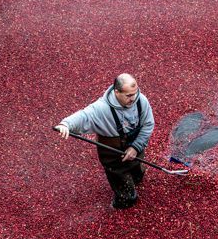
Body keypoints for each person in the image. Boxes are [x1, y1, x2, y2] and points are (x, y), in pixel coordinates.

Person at [53, 73, 156, 210]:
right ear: (116, 92)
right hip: (113, 156)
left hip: (136, 151)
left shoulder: (141, 100)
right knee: (127, 198)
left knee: (138, 175)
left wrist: (136, 147)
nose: (133, 98)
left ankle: (135, 176)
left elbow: (148, 124)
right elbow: (84, 116)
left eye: (135, 93)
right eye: (128, 95)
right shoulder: (101, 108)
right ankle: (118, 203)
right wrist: (66, 124)